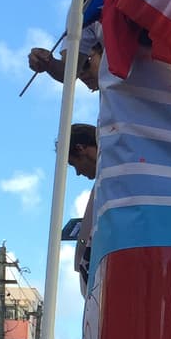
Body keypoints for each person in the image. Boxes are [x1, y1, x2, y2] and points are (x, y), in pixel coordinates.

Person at [67, 122, 97, 291]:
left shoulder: (110, 183)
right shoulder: (102, 185)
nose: (78, 172)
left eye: (73, 164)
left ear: (80, 149)